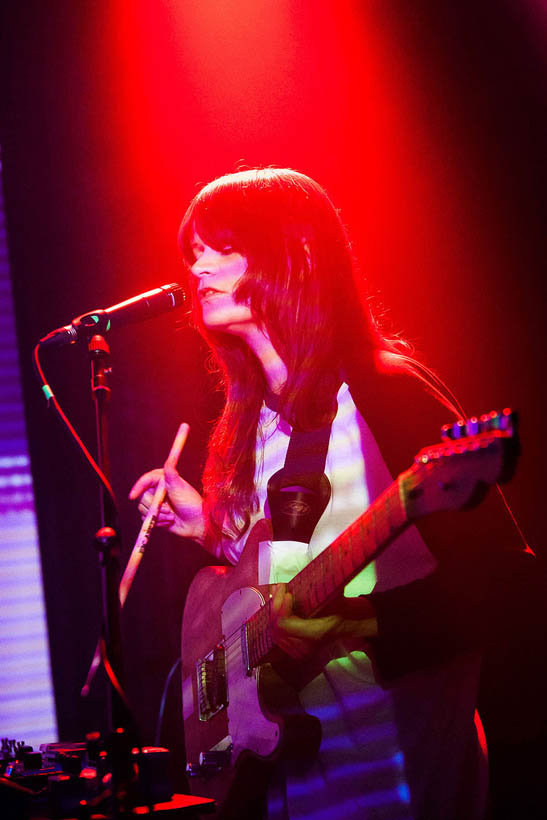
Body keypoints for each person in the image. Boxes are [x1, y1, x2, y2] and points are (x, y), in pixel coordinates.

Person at [130, 168, 523, 819]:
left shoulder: (383, 393)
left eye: (218, 245)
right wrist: (209, 525)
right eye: (190, 250)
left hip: (402, 780)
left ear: (297, 254)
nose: (195, 265)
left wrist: (356, 623)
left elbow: (507, 583)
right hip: (296, 788)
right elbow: (277, 571)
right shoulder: (248, 422)